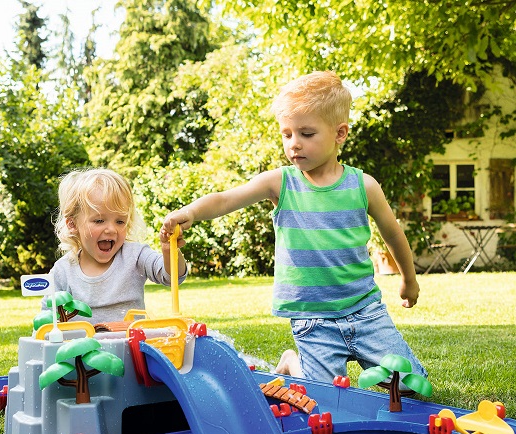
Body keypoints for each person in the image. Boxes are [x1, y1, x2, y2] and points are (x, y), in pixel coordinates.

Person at [162, 71, 426, 384]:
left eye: (306, 134)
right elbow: (226, 199)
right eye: (287, 134)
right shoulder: (281, 182)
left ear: (340, 134)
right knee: (324, 396)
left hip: (365, 311)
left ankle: (342, 364)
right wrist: (190, 212)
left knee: (411, 386)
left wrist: (409, 280)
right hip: (313, 319)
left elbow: (393, 234)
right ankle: (292, 363)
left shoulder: (363, 186)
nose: (294, 144)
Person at [46, 167, 187, 324]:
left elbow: (172, 276)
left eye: (120, 221)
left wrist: (169, 251)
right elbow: (47, 318)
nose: (111, 229)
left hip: (131, 347)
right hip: (83, 348)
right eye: (99, 220)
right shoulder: (63, 271)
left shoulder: (135, 255)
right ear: (73, 224)